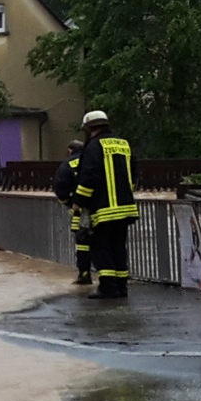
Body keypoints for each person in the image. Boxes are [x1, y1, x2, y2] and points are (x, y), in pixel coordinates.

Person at [73, 111, 138, 299]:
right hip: (126, 208)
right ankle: (122, 287)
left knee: (101, 247)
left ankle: (108, 288)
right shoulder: (123, 144)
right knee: (118, 246)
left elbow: (88, 178)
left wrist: (79, 202)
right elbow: (133, 174)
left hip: (104, 210)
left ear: (89, 127)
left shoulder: (93, 146)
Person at [53, 139, 92, 285]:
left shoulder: (68, 164)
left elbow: (60, 187)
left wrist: (69, 204)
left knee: (82, 244)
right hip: (101, 208)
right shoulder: (93, 160)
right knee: (104, 243)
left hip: (79, 212)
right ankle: (110, 277)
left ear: (70, 150)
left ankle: (84, 274)